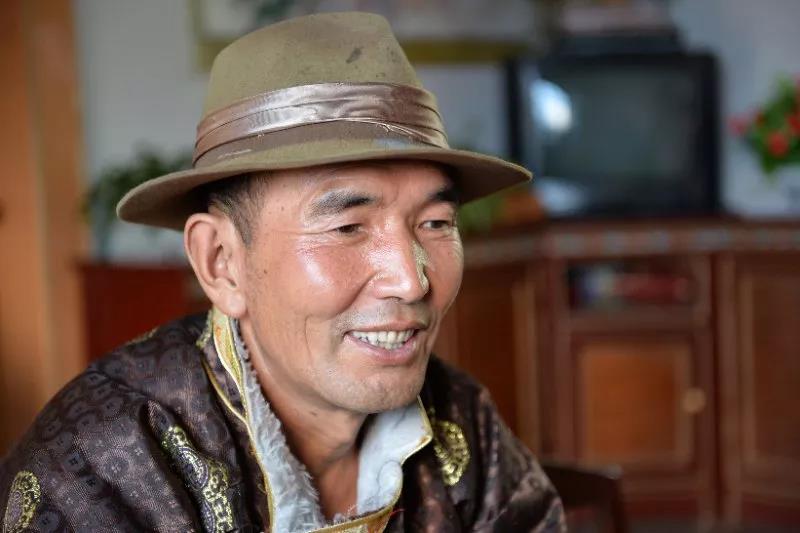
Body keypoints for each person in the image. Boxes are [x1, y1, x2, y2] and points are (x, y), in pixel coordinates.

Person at [0, 12, 564, 532]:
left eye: (436, 223)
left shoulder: (462, 419)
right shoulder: (99, 469)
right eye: (348, 227)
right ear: (222, 263)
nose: (411, 280)